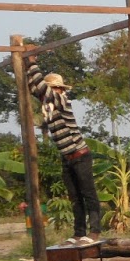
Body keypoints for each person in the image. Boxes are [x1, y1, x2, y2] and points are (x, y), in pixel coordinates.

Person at [26, 58, 103, 245]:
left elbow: (42, 89)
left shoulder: (61, 99)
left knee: (88, 194)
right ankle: (79, 233)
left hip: (79, 155)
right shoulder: (48, 104)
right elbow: (33, 89)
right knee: (75, 197)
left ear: (58, 89)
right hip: (67, 157)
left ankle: (94, 231)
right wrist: (27, 67)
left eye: (53, 88)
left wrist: (32, 63)